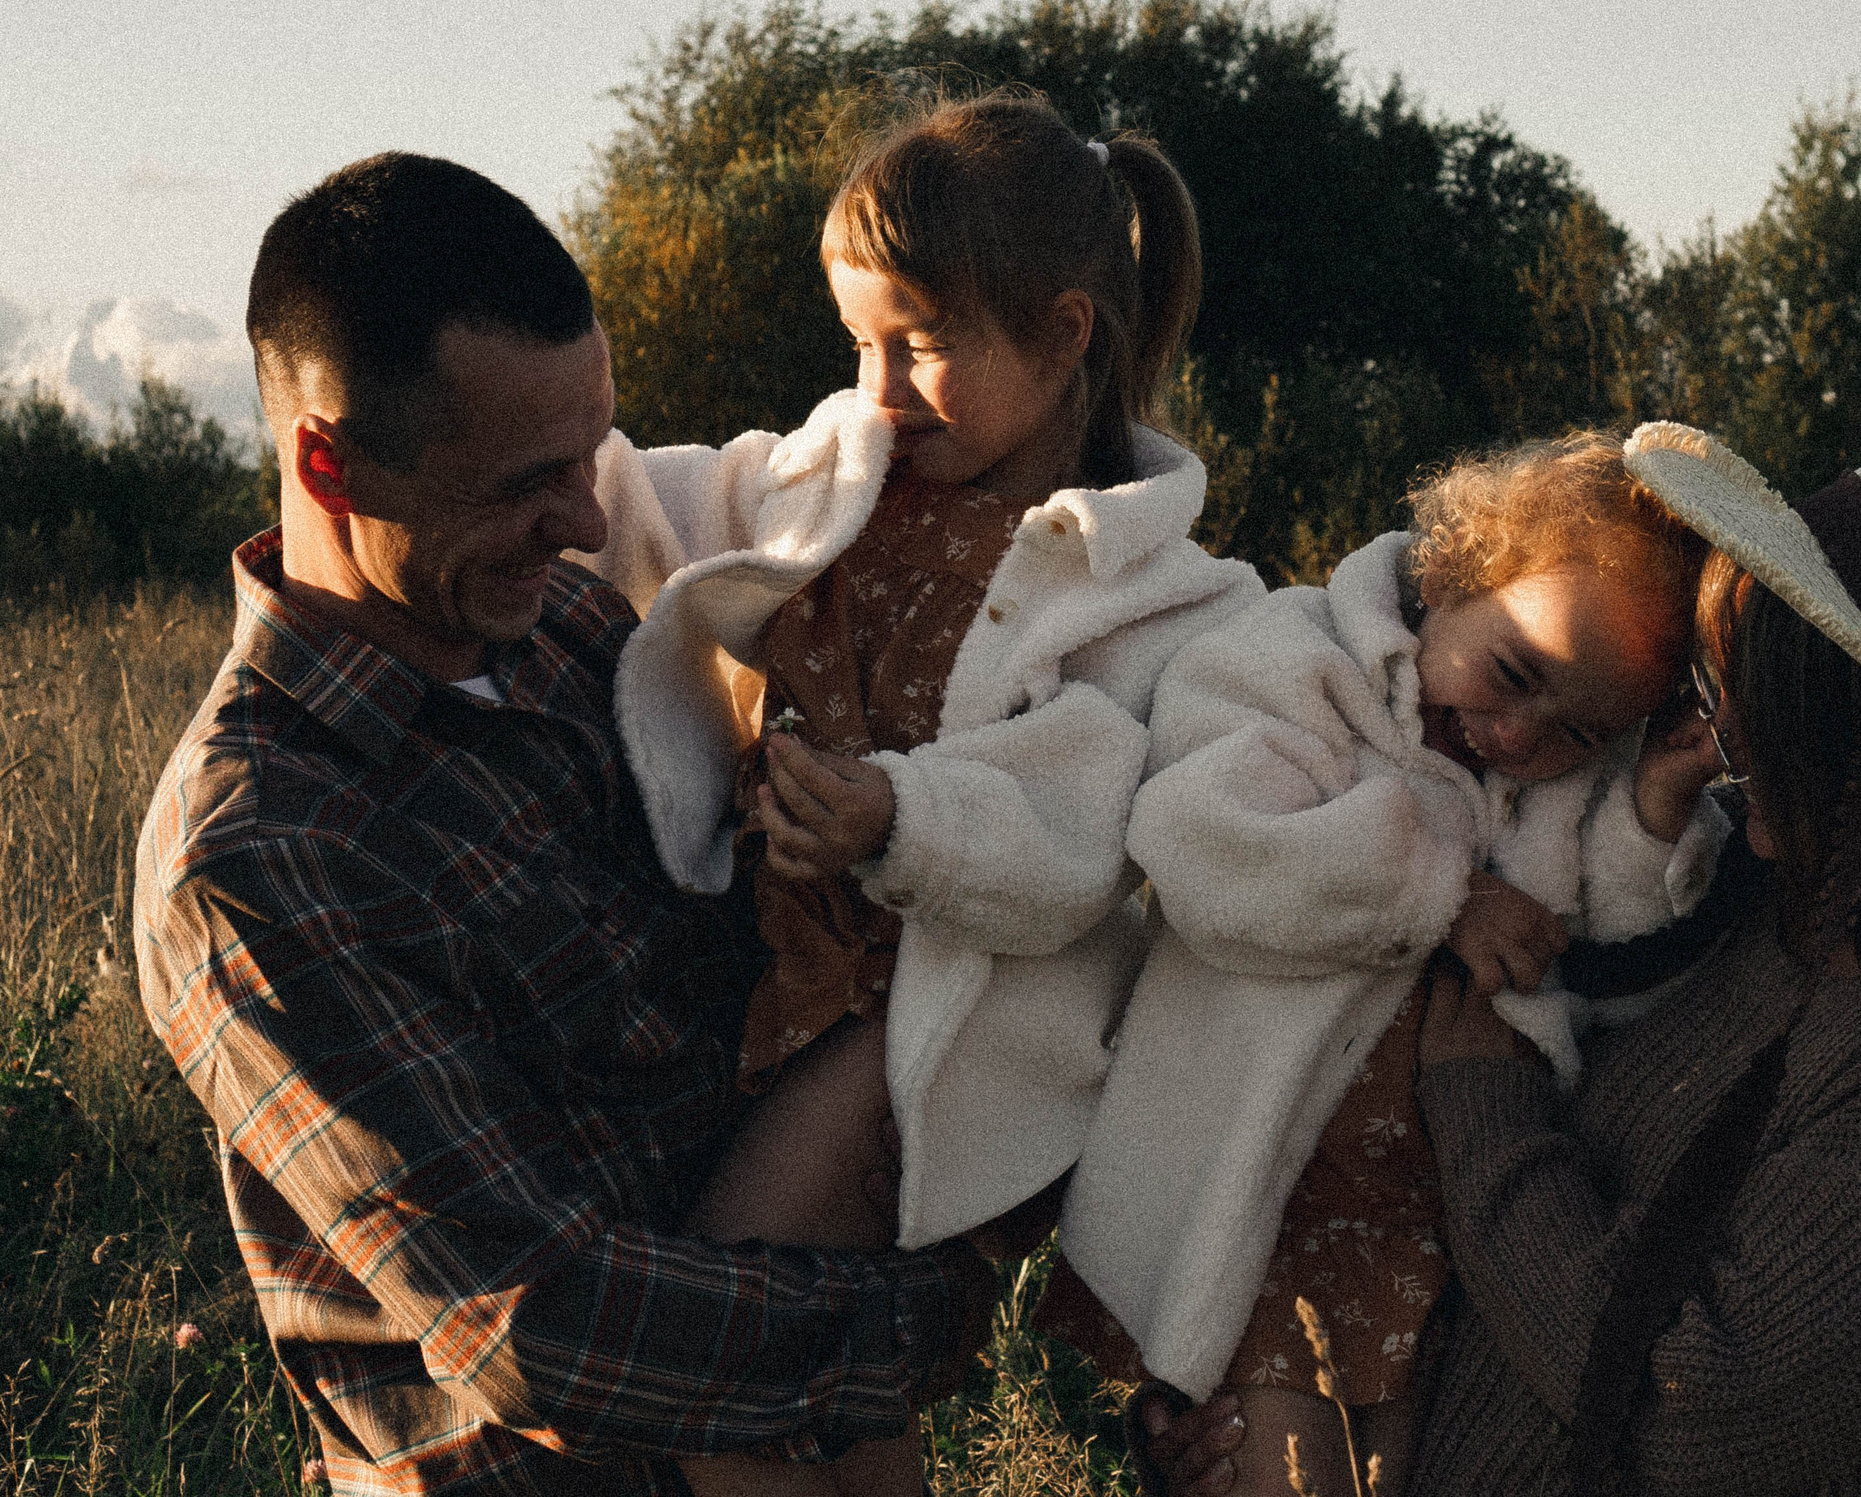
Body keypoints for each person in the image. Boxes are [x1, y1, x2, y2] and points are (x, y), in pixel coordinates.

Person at [132, 152, 995, 1497]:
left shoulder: (578, 637)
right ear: (327, 458)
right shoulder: (258, 853)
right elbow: (540, 1323)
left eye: (591, 455)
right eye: (523, 484)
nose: (590, 518)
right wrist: (924, 1312)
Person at [1142, 422, 1861, 1496]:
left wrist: (1481, 1114)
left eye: (1763, 725)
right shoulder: (1795, 876)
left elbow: (1695, 1411)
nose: (1728, 771)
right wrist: (1258, 1406)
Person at [574, 93, 1264, 1493]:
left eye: (927, 344)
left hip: (938, 1027)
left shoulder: (1150, 590)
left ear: (1069, 329)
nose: (881, 384)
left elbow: (1083, 824)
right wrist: (508, 470)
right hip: (787, 988)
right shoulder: (840, 478)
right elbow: (649, 506)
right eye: (861, 343)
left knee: (723, 1339)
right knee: (837, 1381)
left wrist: (901, 817)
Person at [1051, 434, 1731, 1497]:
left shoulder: (1566, 788)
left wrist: (1653, 808)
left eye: (1581, 733)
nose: (1518, 735)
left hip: (1428, 1227)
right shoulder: (1294, 661)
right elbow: (1202, 848)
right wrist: (1440, 893)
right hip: (1265, 1193)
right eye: (1512, 675)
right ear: (1455, 573)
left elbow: (1608, 952)